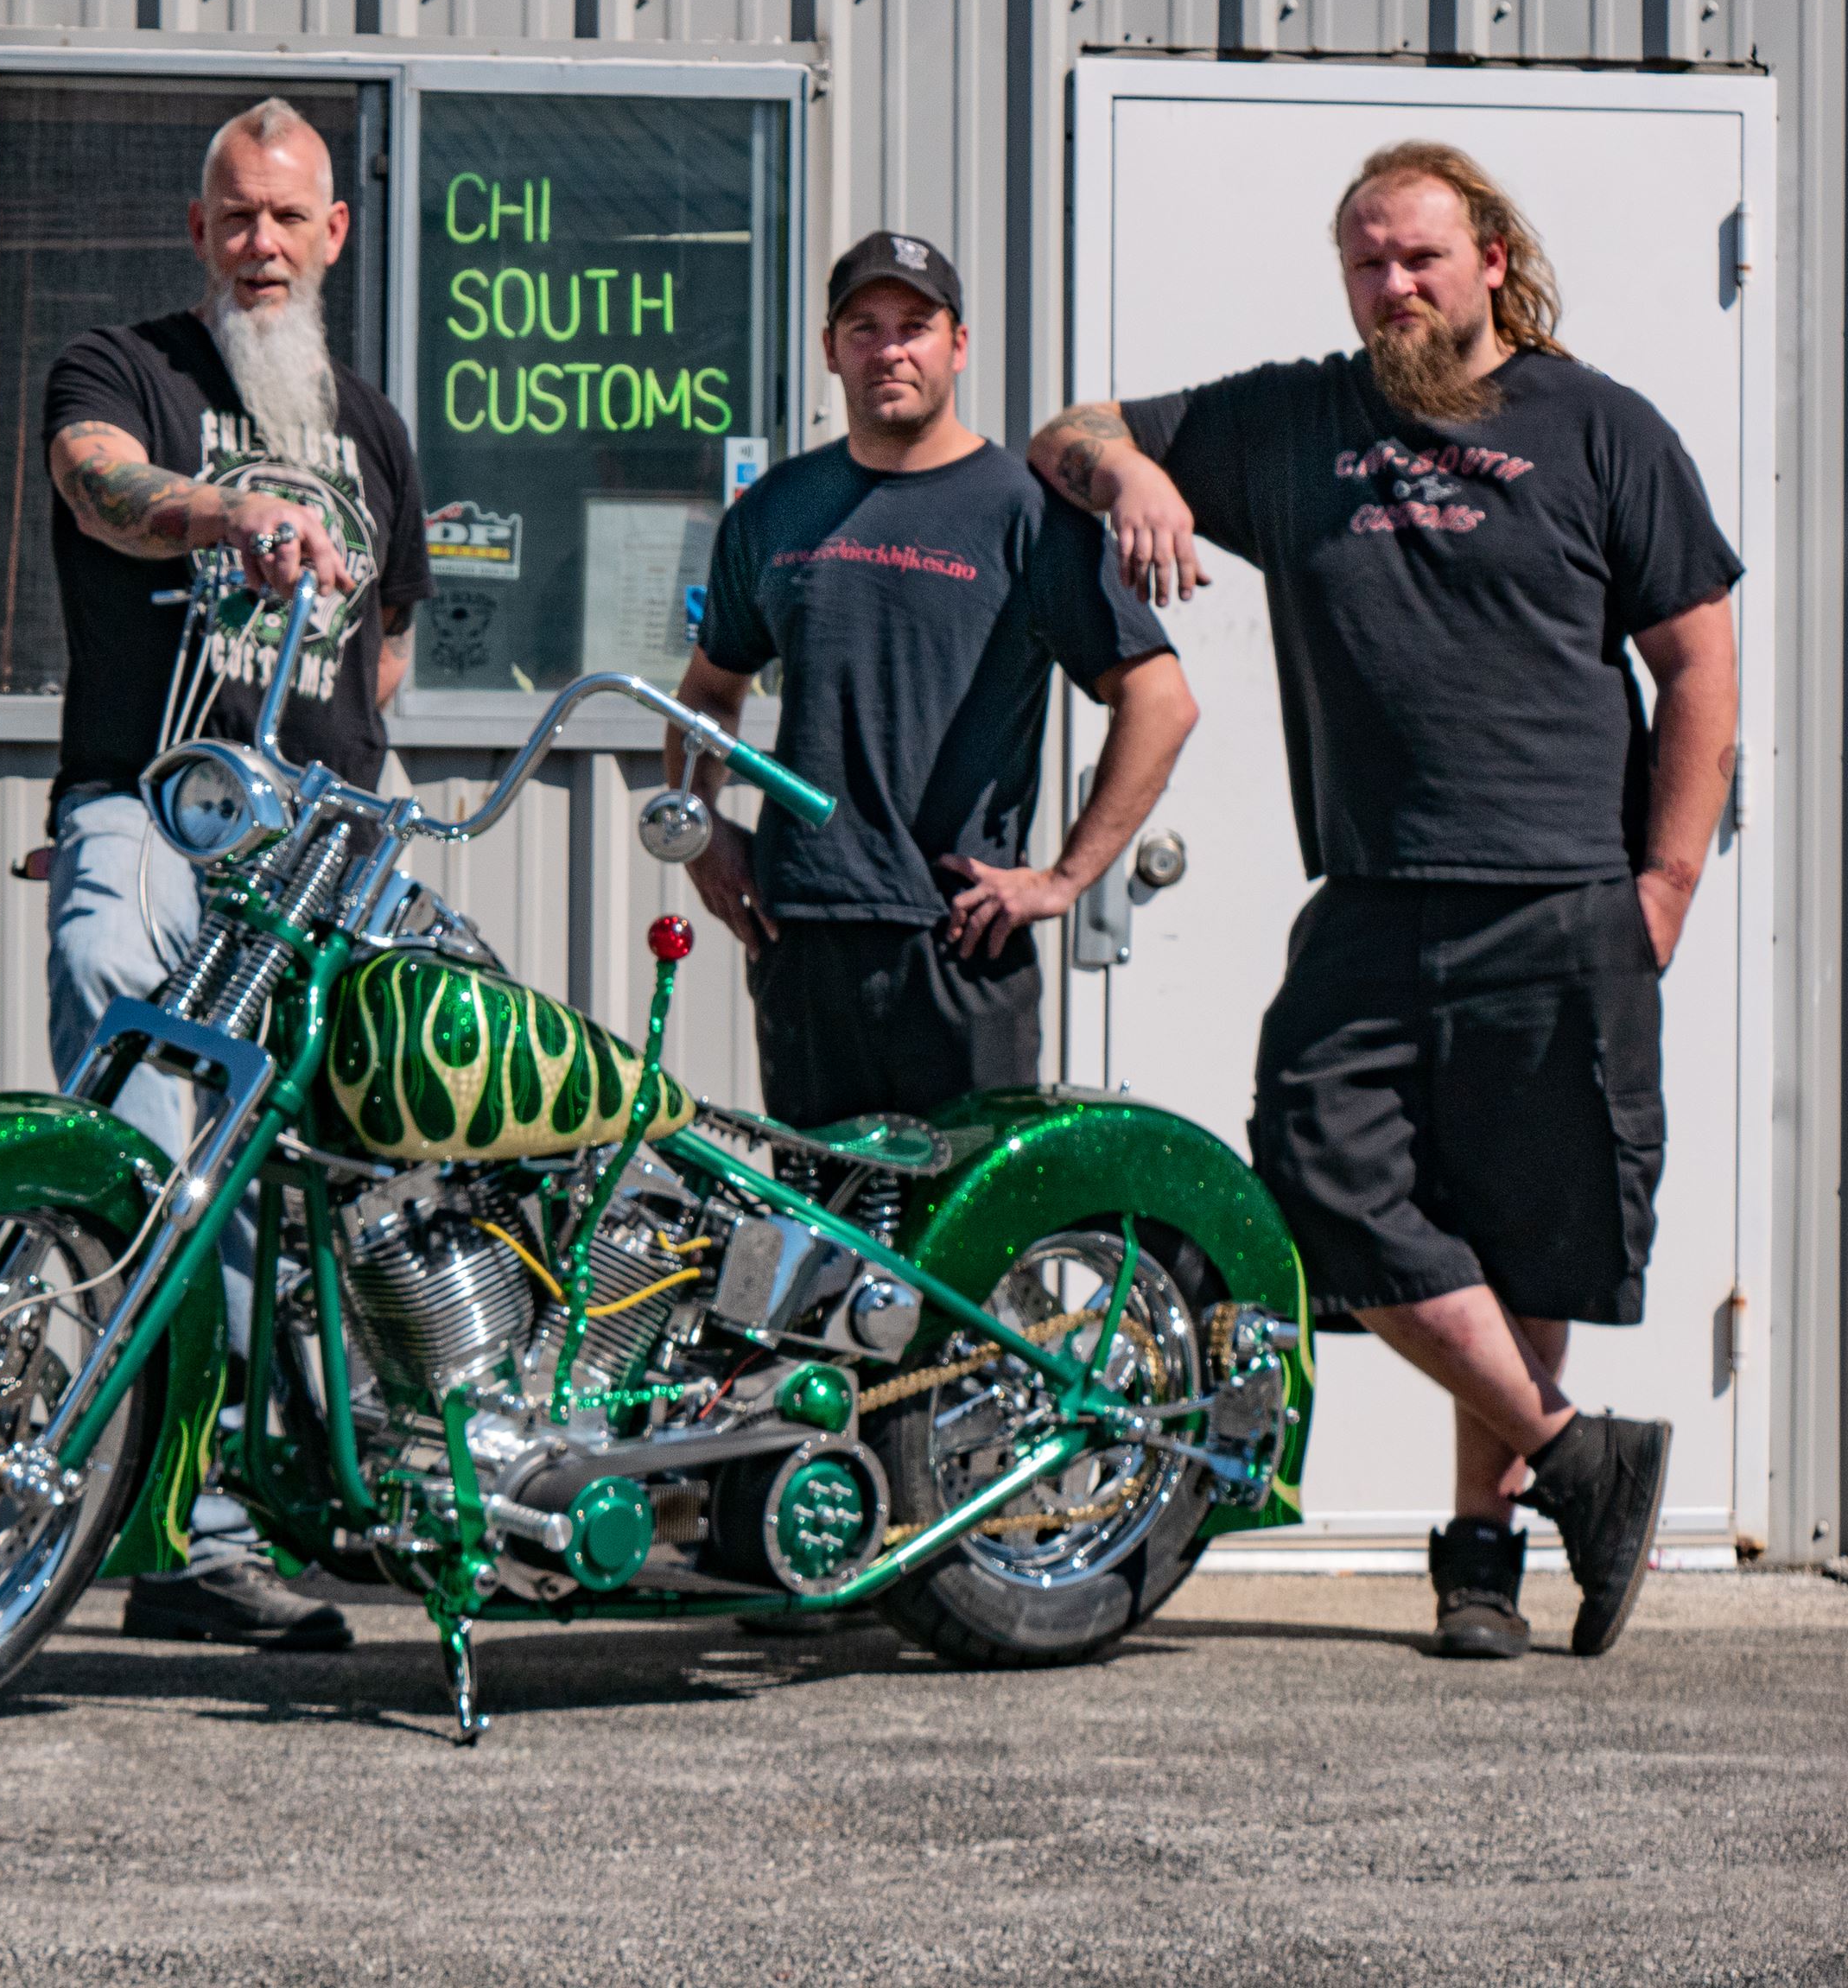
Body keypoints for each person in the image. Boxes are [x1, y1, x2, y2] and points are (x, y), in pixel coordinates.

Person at [1028, 140, 1743, 1662]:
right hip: (1371, 891)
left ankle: (1483, 1562)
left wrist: (1667, 882)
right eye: (1366, 260)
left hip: (1562, 893)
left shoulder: (1602, 427)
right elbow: (1063, 434)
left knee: (1528, 1232)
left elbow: (1699, 663)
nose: (1392, 284)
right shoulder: (1296, 422)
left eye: (1419, 255)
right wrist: (1142, 470)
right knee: (1319, 1176)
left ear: (1492, 255)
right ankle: (1577, 1456)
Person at [42, 96, 433, 1648]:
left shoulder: (375, 425)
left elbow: (383, 651)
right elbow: (96, 486)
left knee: (381, 1151)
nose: (261, 242)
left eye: (290, 216)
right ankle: (180, 1539)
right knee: (154, 1154)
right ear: (198, 232)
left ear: (334, 235)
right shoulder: (124, 368)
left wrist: (333, 775)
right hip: (155, 805)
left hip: (320, 845)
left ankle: (377, 1482)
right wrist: (226, 510)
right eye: (236, 216)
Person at [668, 231, 1198, 1132]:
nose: (889, 349)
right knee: (818, 1226)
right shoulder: (773, 510)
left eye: (914, 325)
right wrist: (698, 823)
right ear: (831, 349)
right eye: (863, 327)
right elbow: (709, 692)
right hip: (802, 933)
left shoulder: (1026, 511)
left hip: (958, 938)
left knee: (963, 1247)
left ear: (956, 345)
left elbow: (1159, 700)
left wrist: (1063, 877)